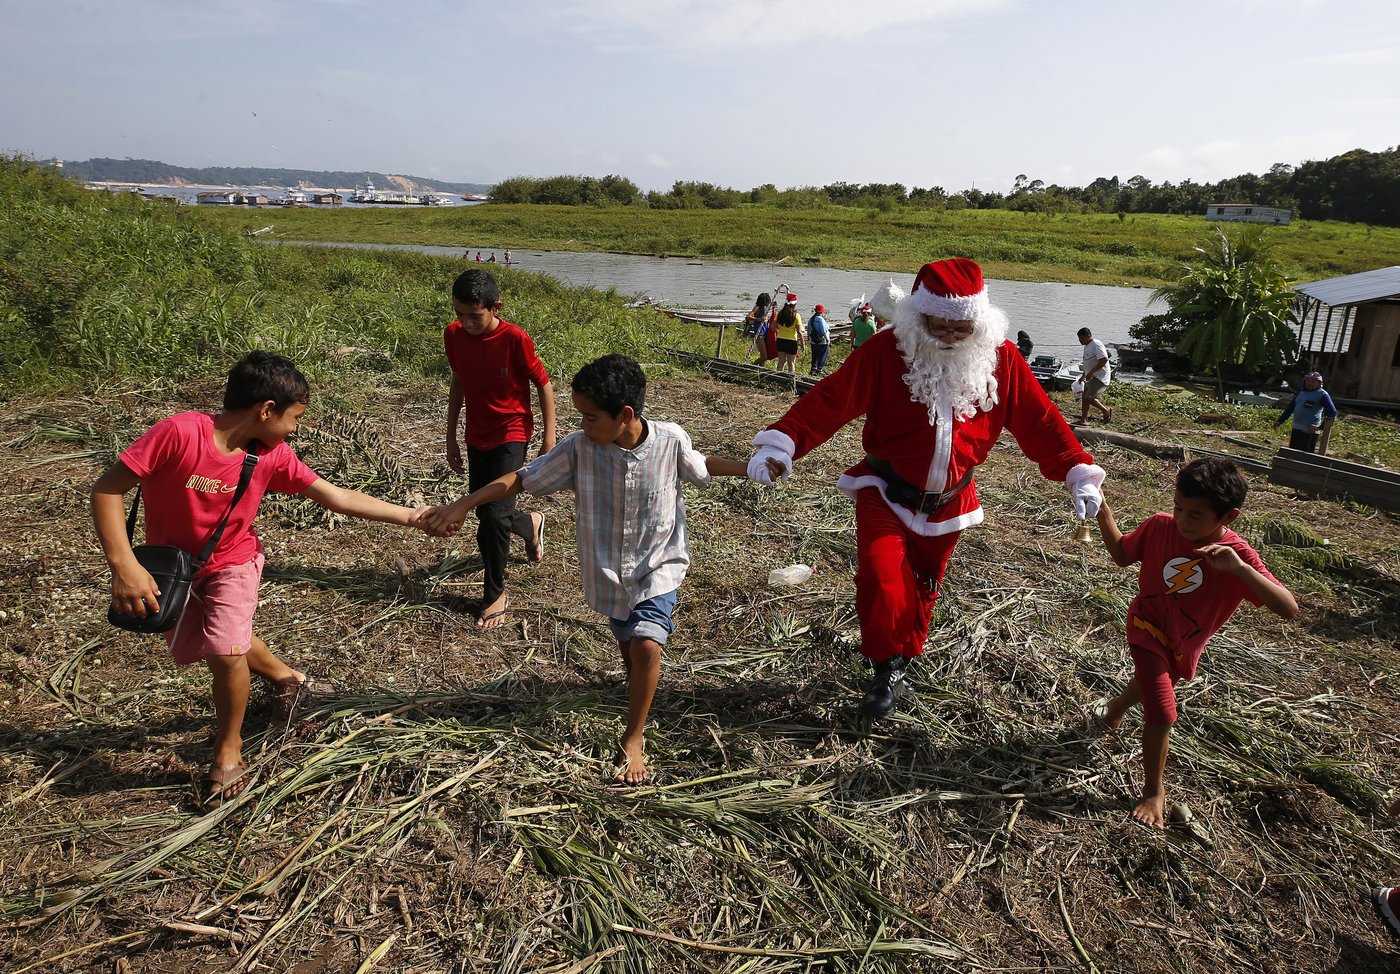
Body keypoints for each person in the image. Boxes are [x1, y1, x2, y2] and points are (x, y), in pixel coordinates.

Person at [747, 258, 1106, 719]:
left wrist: (1077, 470)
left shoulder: (1002, 359)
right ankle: (884, 665)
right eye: (941, 327)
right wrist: (782, 444)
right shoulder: (885, 352)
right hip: (886, 488)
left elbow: (1041, 421)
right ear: (920, 316)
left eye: (963, 329)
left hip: (952, 498)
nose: (953, 337)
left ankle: (905, 658)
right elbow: (830, 399)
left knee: (924, 585)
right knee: (881, 576)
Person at [91, 352, 432, 805]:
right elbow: (107, 489)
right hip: (175, 567)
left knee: (225, 650)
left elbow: (336, 496)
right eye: (294, 418)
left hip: (234, 562)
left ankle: (227, 750)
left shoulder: (272, 456)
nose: (295, 429)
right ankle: (287, 677)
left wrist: (413, 516)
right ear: (266, 409)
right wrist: (124, 565)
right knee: (224, 635)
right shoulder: (180, 433)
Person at [426, 354, 764, 783]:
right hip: (607, 569)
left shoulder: (670, 439)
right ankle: (636, 684)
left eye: (589, 417)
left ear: (625, 415)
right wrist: (464, 503)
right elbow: (521, 479)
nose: (583, 425)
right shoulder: (579, 449)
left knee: (646, 644)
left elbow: (701, 463)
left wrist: (751, 468)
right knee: (628, 641)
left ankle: (633, 736)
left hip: (659, 561)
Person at [1092, 457, 1298, 829]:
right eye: (1178, 508)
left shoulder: (1236, 556)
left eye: (1196, 515)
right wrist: (1102, 508)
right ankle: (1154, 791)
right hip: (1147, 625)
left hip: (1183, 642)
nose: (1183, 521)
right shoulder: (1160, 527)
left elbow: (1288, 609)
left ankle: (1113, 710)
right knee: (1162, 709)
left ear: (1228, 517)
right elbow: (1122, 555)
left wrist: (1240, 570)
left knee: (1152, 684)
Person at [443, 269, 556, 628]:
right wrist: (451, 434)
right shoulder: (454, 335)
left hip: (513, 432)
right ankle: (529, 524)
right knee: (488, 512)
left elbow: (544, 384)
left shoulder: (514, 339)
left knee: (491, 516)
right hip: (477, 434)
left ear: (495, 308)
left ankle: (494, 594)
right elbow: (458, 382)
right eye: (460, 314)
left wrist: (549, 438)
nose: (466, 323)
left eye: (474, 316)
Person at [1273, 371, 1337, 453]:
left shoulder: (1322, 394)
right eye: (1308, 381)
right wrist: (1280, 421)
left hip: (1309, 432)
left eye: (1313, 382)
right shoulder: (1301, 392)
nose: (1310, 383)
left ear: (1319, 383)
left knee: (1304, 457)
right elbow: (1290, 408)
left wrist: (1320, 427)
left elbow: (1332, 412)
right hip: (1296, 429)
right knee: (1292, 454)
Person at [1077, 327, 1113, 424]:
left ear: (1088, 336)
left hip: (1099, 377)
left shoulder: (1096, 344)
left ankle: (1105, 411)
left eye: (1081, 338)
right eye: (1079, 338)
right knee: (1085, 397)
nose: (1080, 341)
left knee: (1088, 398)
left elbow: (1103, 359)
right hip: (1091, 376)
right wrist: (1084, 375)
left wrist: (1091, 372)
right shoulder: (1087, 346)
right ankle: (1084, 419)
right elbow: (1088, 363)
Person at [747, 292, 773, 365]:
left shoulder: (765, 309)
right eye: (768, 301)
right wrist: (758, 319)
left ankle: (760, 370)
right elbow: (749, 316)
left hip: (764, 334)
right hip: (759, 335)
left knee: (764, 356)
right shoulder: (757, 307)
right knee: (764, 357)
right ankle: (751, 367)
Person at [808, 303, 831, 376]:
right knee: (822, 355)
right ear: (821, 311)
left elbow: (808, 330)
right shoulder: (821, 319)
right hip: (822, 341)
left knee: (814, 355)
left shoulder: (811, 319)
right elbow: (824, 331)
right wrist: (828, 340)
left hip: (813, 341)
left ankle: (813, 368)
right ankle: (819, 369)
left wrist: (809, 338)